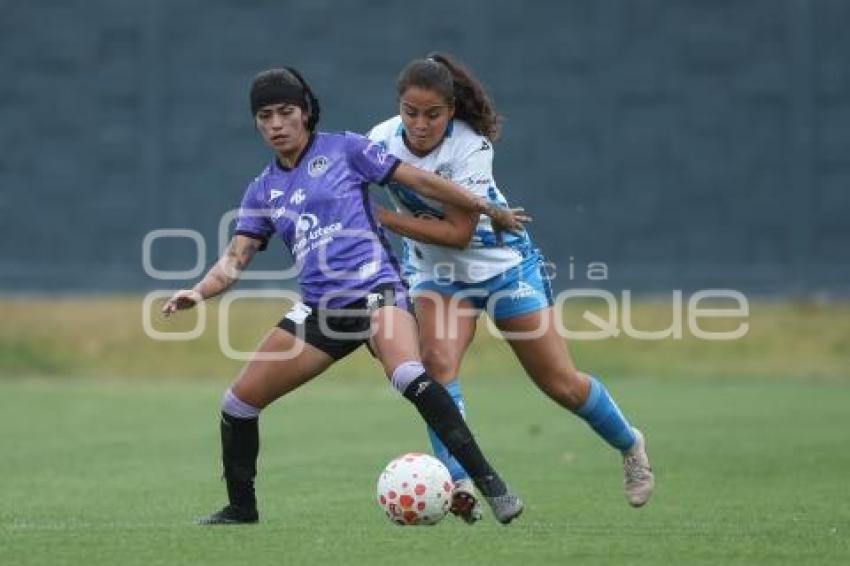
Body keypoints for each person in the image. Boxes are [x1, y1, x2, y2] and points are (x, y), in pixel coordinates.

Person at [162, 66, 530, 525]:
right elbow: (234, 260)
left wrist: (484, 206)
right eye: (264, 116)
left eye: (285, 112)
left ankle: (491, 484)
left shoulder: (347, 149)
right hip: (322, 311)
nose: (275, 124)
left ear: (306, 112)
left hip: (378, 291)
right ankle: (241, 508)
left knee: (409, 375)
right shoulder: (262, 189)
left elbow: (419, 181)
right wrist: (197, 292)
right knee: (237, 404)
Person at [368, 53, 654, 523]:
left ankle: (630, 444)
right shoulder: (378, 140)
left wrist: (380, 217)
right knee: (436, 368)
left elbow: (459, 233)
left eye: (433, 114)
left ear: (451, 110)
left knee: (559, 383)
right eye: (410, 112)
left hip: (504, 267)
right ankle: (458, 483)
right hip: (437, 276)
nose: (420, 124)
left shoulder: (470, 145)